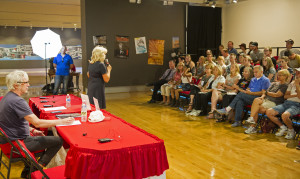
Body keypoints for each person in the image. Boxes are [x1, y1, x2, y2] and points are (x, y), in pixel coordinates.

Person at [0, 70, 74, 178]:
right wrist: (62, 121)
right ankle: (36, 168)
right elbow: (38, 123)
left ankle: (29, 168)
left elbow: (12, 121)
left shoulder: (6, 98)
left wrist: (32, 130)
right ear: (16, 85)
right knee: (58, 141)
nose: (29, 85)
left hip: (9, 143)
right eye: (26, 82)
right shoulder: (17, 101)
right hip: (19, 143)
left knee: (48, 138)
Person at [244, 69, 290, 134]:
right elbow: (264, 93)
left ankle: (253, 126)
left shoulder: (285, 85)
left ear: (285, 76)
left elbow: (277, 95)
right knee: (256, 100)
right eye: (278, 75)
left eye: (280, 75)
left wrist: (266, 93)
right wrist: (262, 97)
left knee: (256, 109)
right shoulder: (274, 83)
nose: (278, 76)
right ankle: (251, 119)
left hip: (274, 102)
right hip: (266, 100)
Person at [266, 68, 300, 139]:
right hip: (287, 102)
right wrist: (295, 95)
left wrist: (297, 85)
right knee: (269, 112)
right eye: (296, 72)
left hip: (297, 105)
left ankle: (291, 130)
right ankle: (282, 127)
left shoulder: (295, 83)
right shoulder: (292, 83)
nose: (297, 74)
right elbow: (285, 96)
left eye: (298, 73)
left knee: (285, 115)